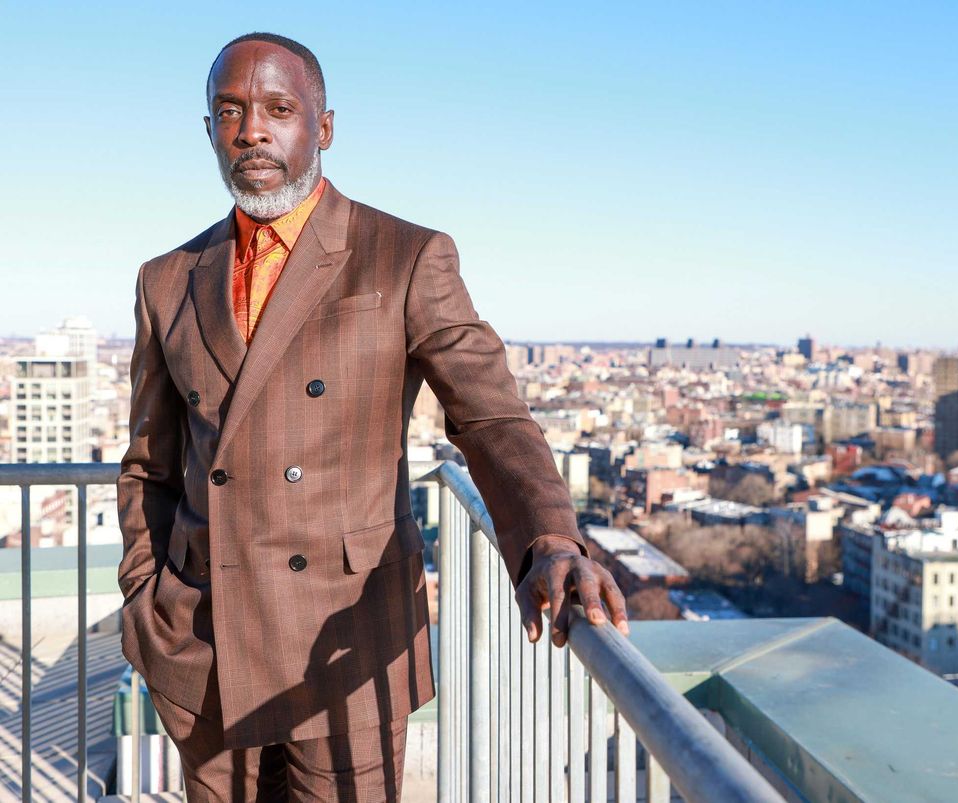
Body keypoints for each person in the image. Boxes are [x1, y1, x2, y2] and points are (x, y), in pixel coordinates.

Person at [116, 31, 629, 802]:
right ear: (210, 131)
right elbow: (149, 464)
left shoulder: (404, 255)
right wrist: (146, 598)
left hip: (343, 651)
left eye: (278, 108)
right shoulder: (167, 280)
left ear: (322, 127)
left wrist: (551, 540)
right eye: (230, 111)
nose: (252, 129)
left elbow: (490, 417)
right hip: (204, 647)